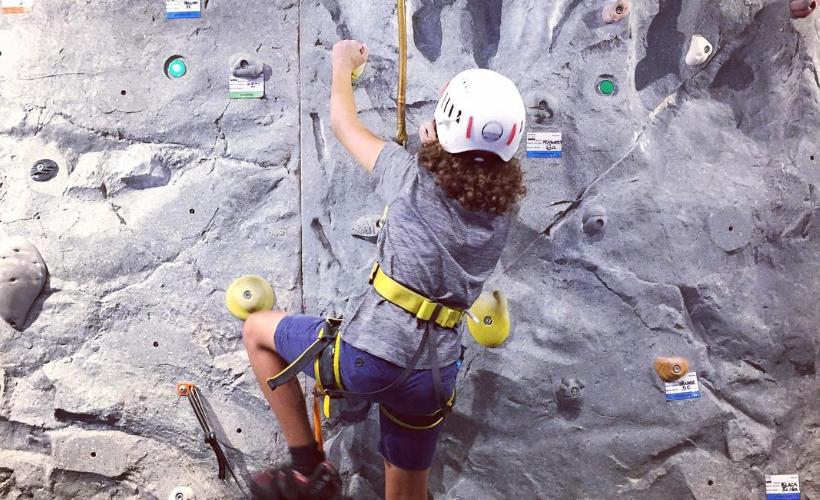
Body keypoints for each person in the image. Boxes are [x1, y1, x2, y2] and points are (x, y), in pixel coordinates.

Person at [241, 39, 527, 500]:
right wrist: (434, 142)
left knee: (257, 329)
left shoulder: (410, 178)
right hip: (431, 378)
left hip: (367, 356)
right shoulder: (502, 214)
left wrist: (341, 66)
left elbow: (342, 123)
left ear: (443, 127)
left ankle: (306, 470)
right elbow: (476, 170)